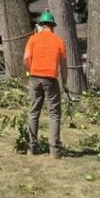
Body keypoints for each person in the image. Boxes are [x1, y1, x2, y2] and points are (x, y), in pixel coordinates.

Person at [23, 11, 68, 158]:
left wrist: (29, 70)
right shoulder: (59, 41)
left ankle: (32, 148)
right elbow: (64, 65)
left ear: (41, 26)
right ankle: (54, 150)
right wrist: (65, 83)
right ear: (53, 26)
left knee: (33, 112)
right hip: (50, 79)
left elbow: (26, 58)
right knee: (54, 114)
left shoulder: (33, 39)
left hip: (34, 78)